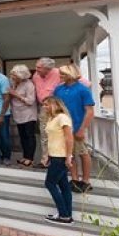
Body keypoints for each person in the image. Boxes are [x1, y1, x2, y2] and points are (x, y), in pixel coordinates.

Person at [54, 64, 95, 193]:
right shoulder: (58, 90)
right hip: (62, 128)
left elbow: (89, 112)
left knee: (83, 153)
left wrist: (82, 129)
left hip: (77, 127)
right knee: (69, 155)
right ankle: (75, 179)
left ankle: (86, 180)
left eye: (63, 74)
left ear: (70, 74)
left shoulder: (83, 90)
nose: (60, 76)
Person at [41, 96, 74, 225]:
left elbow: (69, 138)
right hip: (54, 155)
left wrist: (69, 156)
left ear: (54, 105)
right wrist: (48, 155)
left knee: (50, 183)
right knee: (64, 185)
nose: (44, 107)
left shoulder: (62, 118)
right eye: (44, 105)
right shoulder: (51, 118)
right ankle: (67, 215)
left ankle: (64, 214)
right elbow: (52, 139)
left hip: (61, 156)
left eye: (46, 105)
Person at [32, 57, 60, 166]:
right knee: (44, 134)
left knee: (57, 134)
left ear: (48, 68)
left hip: (57, 108)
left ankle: (60, 161)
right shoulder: (35, 76)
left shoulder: (58, 73)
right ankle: (45, 160)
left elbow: (84, 83)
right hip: (43, 108)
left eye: (39, 67)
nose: (36, 69)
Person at [8, 65, 38, 167]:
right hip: (18, 114)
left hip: (28, 114)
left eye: (14, 74)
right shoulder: (13, 83)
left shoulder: (29, 85)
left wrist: (15, 94)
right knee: (22, 137)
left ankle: (30, 158)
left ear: (21, 75)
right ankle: (25, 156)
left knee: (29, 136)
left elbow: (30, 101)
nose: (11, 76)